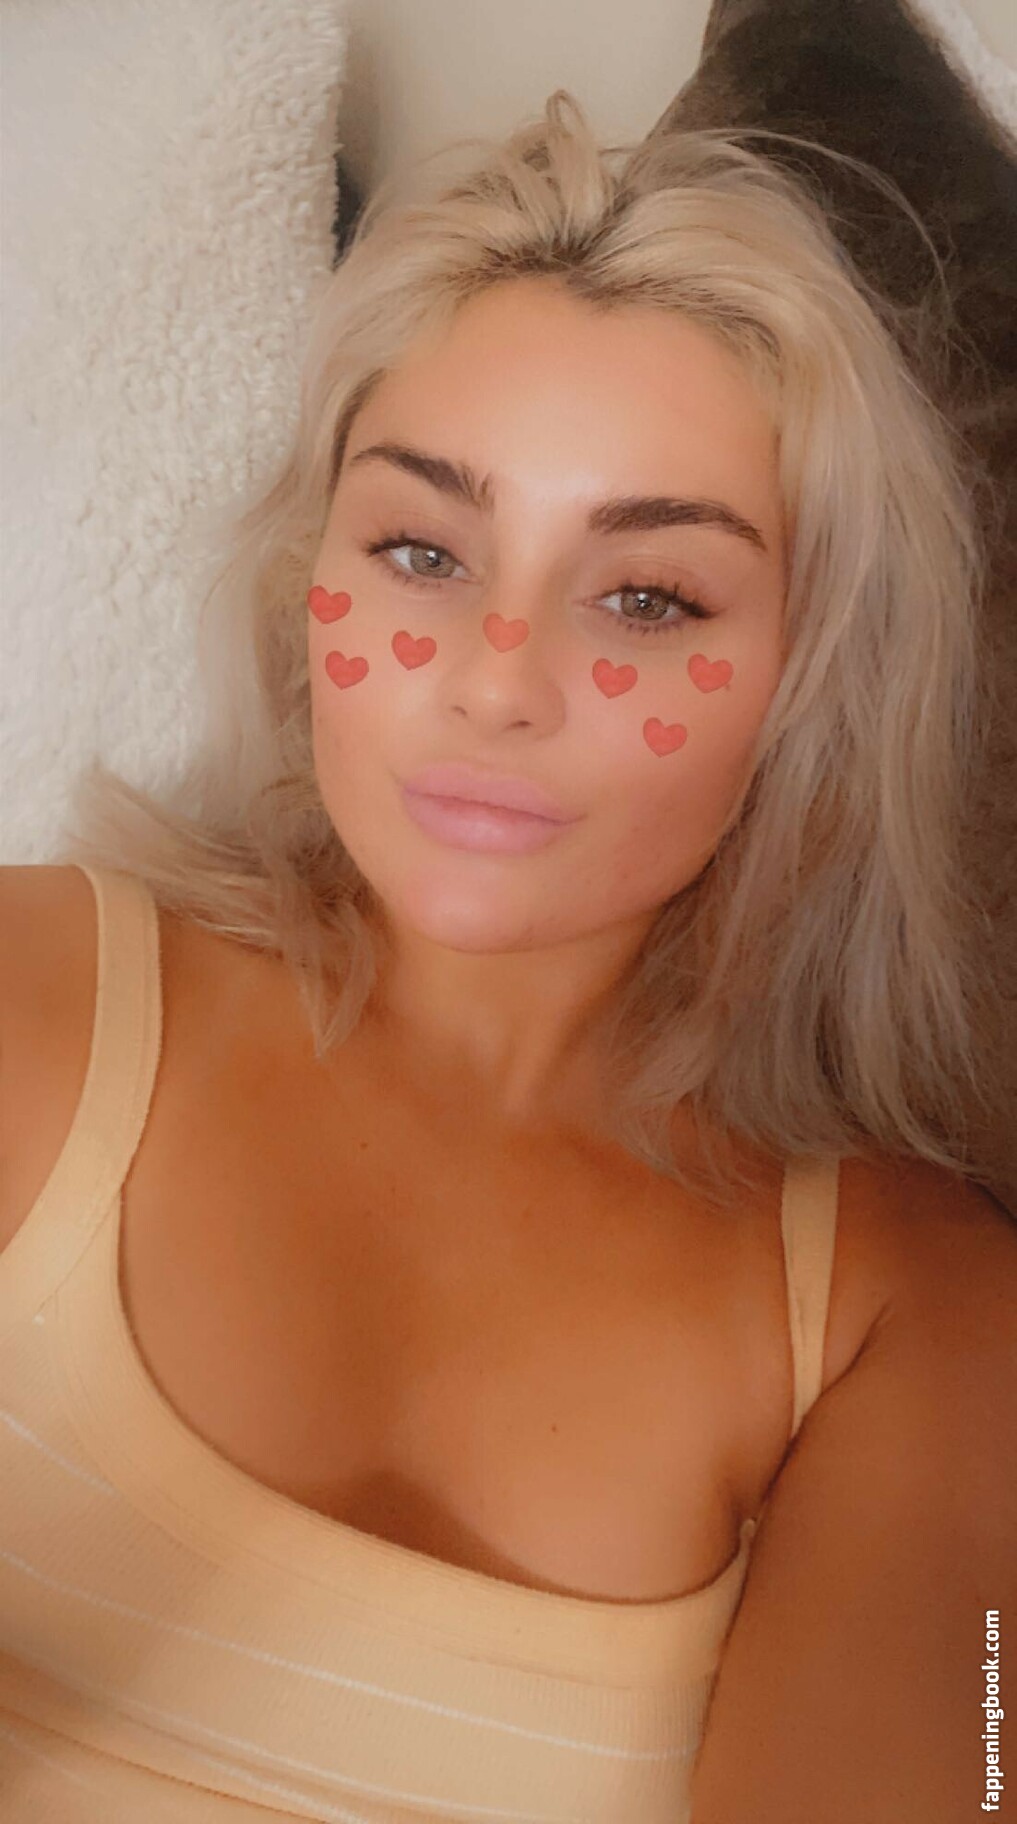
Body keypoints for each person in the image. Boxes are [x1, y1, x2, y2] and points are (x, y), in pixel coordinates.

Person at [0, 90, 1013, 1824]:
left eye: (648, 599)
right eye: (420, 551)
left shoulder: (916, 1311)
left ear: (814, 684)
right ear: (305, 587)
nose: (494, 678)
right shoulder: (29, 1001)